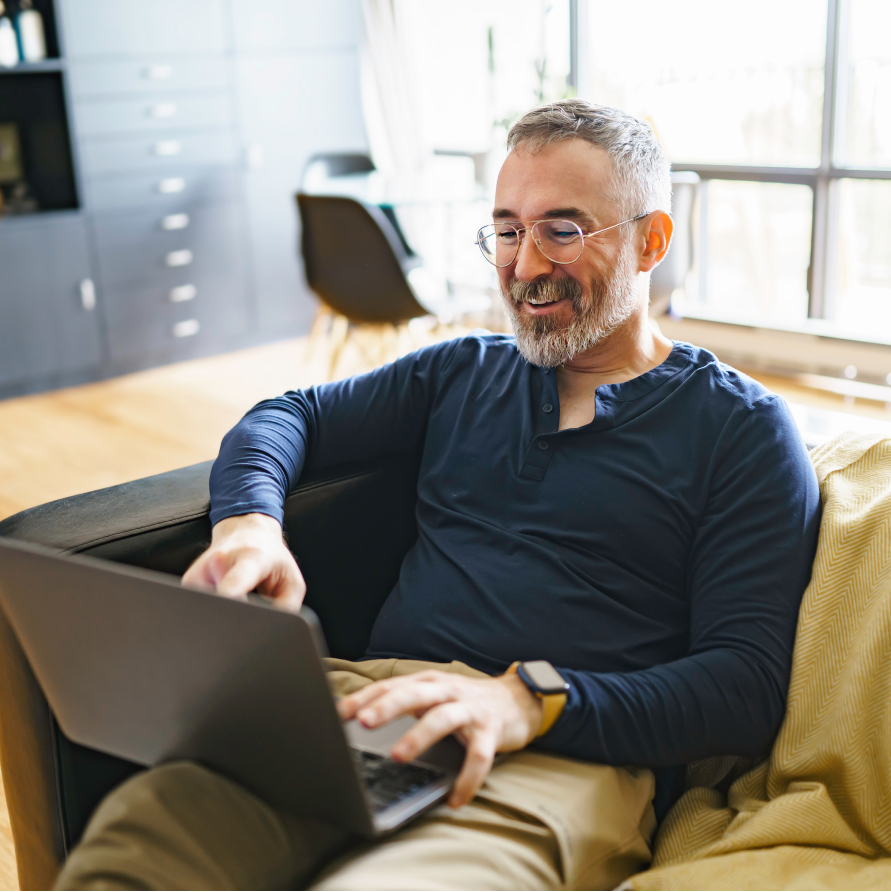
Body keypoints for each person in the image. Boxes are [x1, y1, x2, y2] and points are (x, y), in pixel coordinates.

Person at [56, 100, 821, 891]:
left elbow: (743, 685)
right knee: (134, 855)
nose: (523, 266)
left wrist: (531, 700)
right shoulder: (461, 369)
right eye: (507, 229)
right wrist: (248, 524)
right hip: (359, 711)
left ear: (650, 240)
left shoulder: (741, 429)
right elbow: (288, 416)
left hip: (558, 760)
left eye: (561, 230)